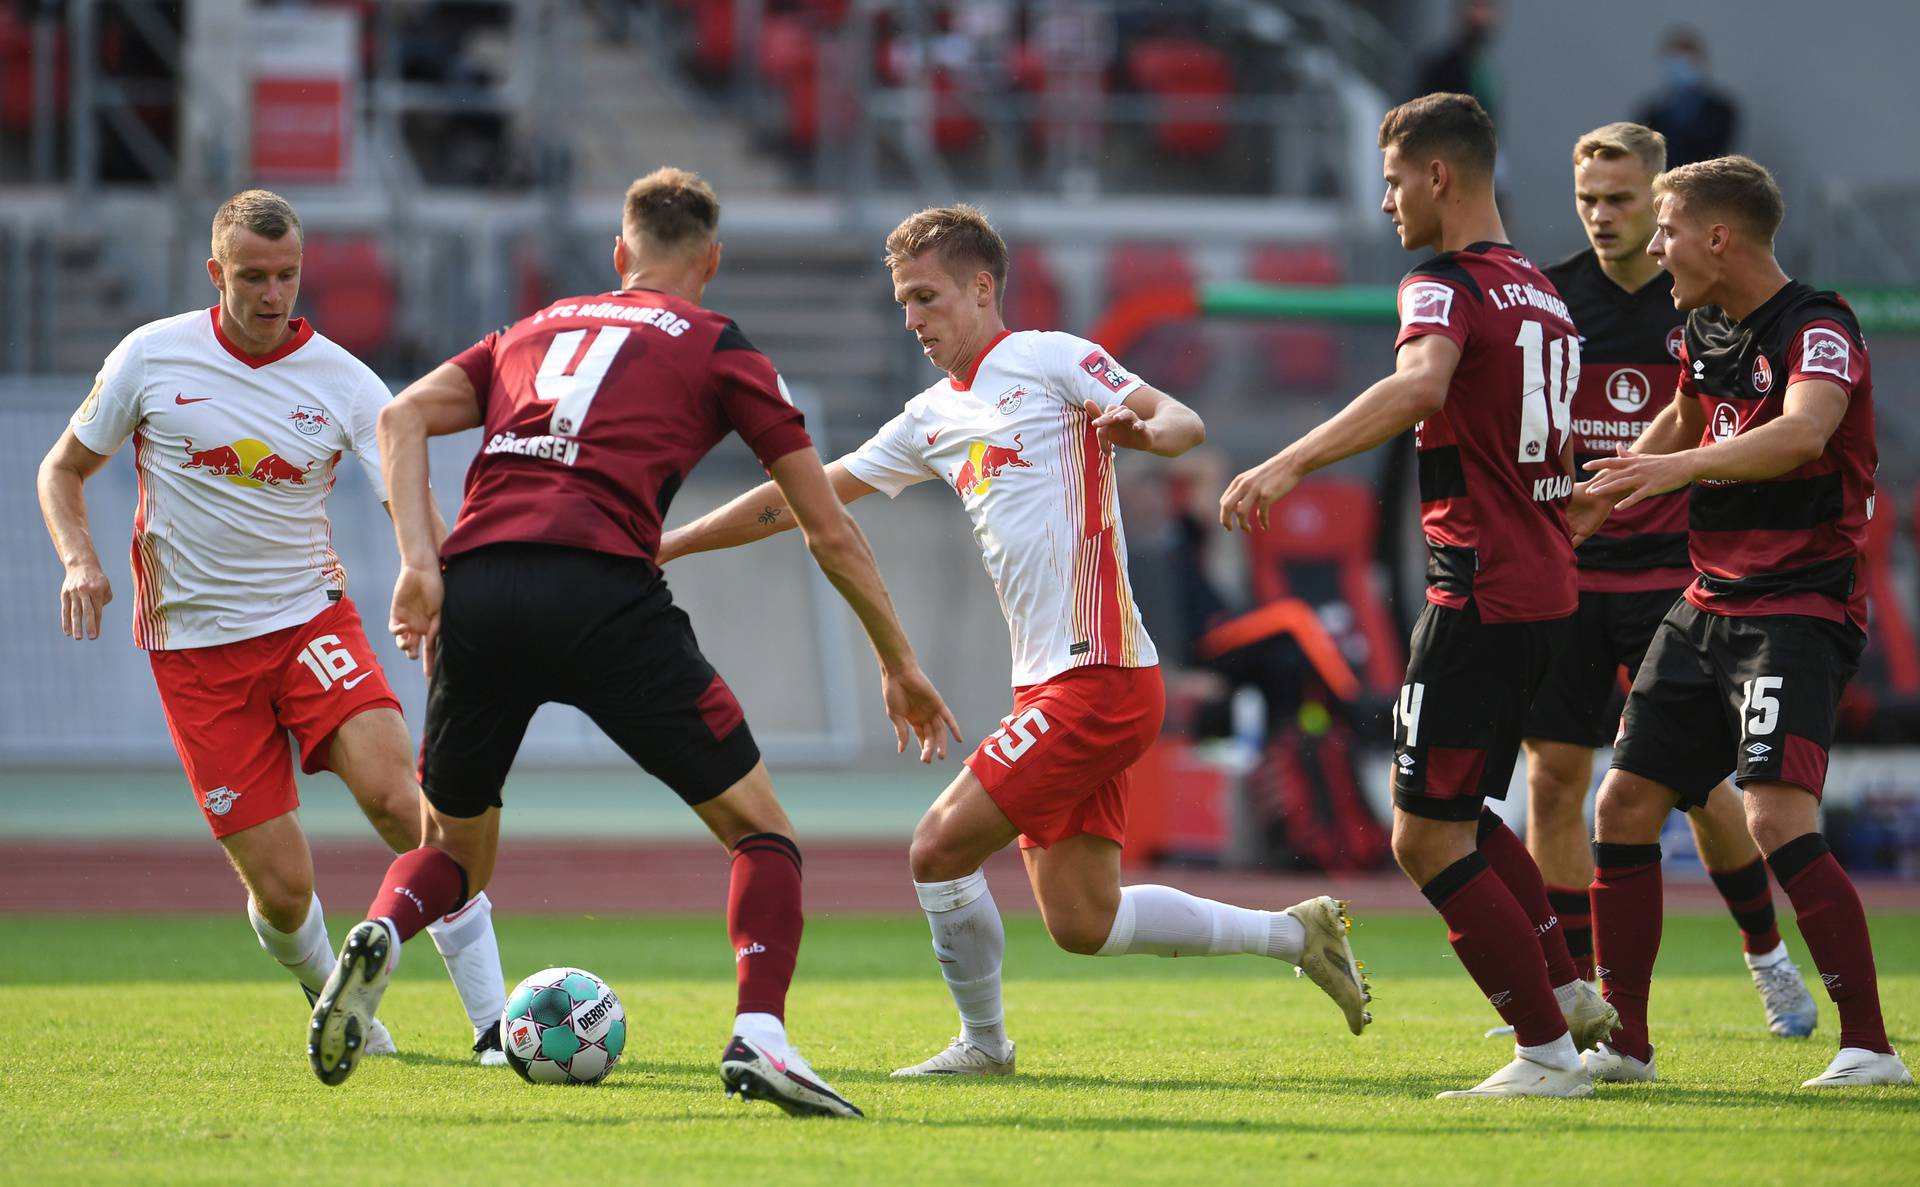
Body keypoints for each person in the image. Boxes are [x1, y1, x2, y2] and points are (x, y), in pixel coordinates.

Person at [659, 203, 1372, 1082]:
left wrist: (1143, 432)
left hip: (1101, 673)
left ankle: (985, 1046)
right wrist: (672, 541)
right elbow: (801, 497)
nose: (913, 319)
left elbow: (1182, 421)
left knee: (936, 848)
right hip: (1047, 686)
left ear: (981, 285)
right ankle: (1295, 933)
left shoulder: (1049, 358)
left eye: (926, 297)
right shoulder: (929, 417)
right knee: (1084, 920)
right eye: (902, 304)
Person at [305, 168, 960, 1118]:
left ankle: (380, 927)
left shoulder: (533, 327)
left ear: (620, 255)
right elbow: (826, 523)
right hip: (603, 591)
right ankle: (761, 1037)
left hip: (479, 586)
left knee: (453, 852)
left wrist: (419, 562)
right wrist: (898, 660)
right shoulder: (718, 344)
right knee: (762, 831)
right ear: (712, 261)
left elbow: (400, 415)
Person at [35, 189, 509, 1066]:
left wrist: (431, 574)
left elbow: (406, 486)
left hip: (307, 623)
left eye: (286, 275)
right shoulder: (150, 356)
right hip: (194, 653)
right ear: (216, 273)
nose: (271, 293)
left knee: (406, 803)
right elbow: (61, 470)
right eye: (252, 276)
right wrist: (80, 560)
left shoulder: (342, 379)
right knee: (285, 891)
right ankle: (338, 998)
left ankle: (496, 1021)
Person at [1221, 93, 1613, 1099]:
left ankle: (1545, 1052)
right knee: (1465, 811)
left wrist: (1290, 460)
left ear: (1440, 176)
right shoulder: (1541, 289)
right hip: (1543, 587)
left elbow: (1421, 384)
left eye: (1395, 179)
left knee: (1421, 832)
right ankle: (1562, 989)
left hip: (1480, 586)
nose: (1386, 200)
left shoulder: (1439, 282)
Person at [1579, 155, 1911, 1089]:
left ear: (1718, 237)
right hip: (1709, 598)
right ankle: (1629, 1046)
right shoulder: (1700, 327)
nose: (1654, 246)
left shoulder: (1821, 326)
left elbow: (1804, 430)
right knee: (1625, 803)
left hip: (1799, 604)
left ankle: (1871, 1047)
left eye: (1667, 229)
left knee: (1773, 812)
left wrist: (1673, 473)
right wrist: (1604, 490)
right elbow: (1684, 420)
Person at [1518, 122, 1815, 1038]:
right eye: (1587, 201)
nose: (1604, 217)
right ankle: (1568, 990)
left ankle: (1766, 956)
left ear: (1662, 200)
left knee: (1695, 782)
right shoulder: (1549, 301)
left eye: (1620, 199)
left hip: (1676, 576)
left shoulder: (1710, 302)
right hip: (1570, 575)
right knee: (1556, 779)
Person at [1632, 28, 1738, 169]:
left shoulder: (1722, 110)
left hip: (1707, 184)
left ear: (1700, 62)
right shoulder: (1652, 112)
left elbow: (1718, 152)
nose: (1680, 68)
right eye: (1673, 61)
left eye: (1686, 60)